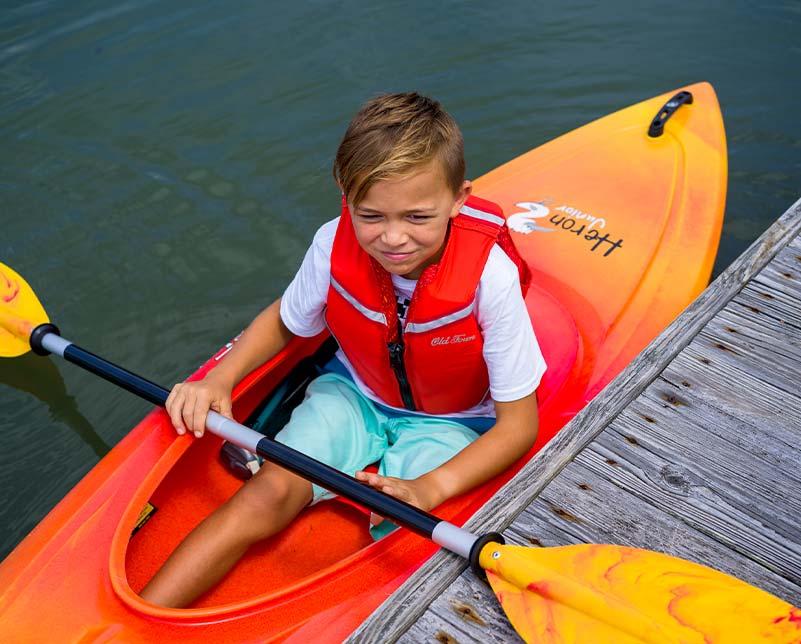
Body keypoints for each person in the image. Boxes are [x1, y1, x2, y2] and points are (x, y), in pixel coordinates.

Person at [140, 92, 546, 608]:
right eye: (371, 215)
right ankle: (144, 614)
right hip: (352, 393)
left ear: (459, 198)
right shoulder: (332, 242)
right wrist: (221, 377)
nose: (393, 238)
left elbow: (518, 427)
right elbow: (285, 323)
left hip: (455, 422)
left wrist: (430, 488)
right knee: (266, 494)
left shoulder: (491, 277)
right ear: (344, 193)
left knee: (404, 529)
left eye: (418, 216)